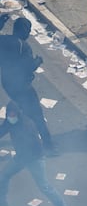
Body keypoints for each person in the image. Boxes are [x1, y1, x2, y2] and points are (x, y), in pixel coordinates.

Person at [0, 101, 72, 206]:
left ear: (18, 114)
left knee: (45, 187)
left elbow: (36, 148)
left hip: (35, 159)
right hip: (21, 157)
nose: (11, 117)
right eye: (9, 115)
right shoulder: (9, 121)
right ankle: (2, 204)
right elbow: (3, 130)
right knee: (4, 176)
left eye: (12, 114)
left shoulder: (27, 126)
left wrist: (18, 157)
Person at [0, 16, 58, 156]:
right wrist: (37, 61)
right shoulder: (23, 46)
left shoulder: (3, 40)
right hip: (22, 87)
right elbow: (27, 67)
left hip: (8, 84)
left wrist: (1, 22)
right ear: (23, 30)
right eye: (28, 30)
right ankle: (49, 146)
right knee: (37, 115)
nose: (29, 33)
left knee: (17, 114)